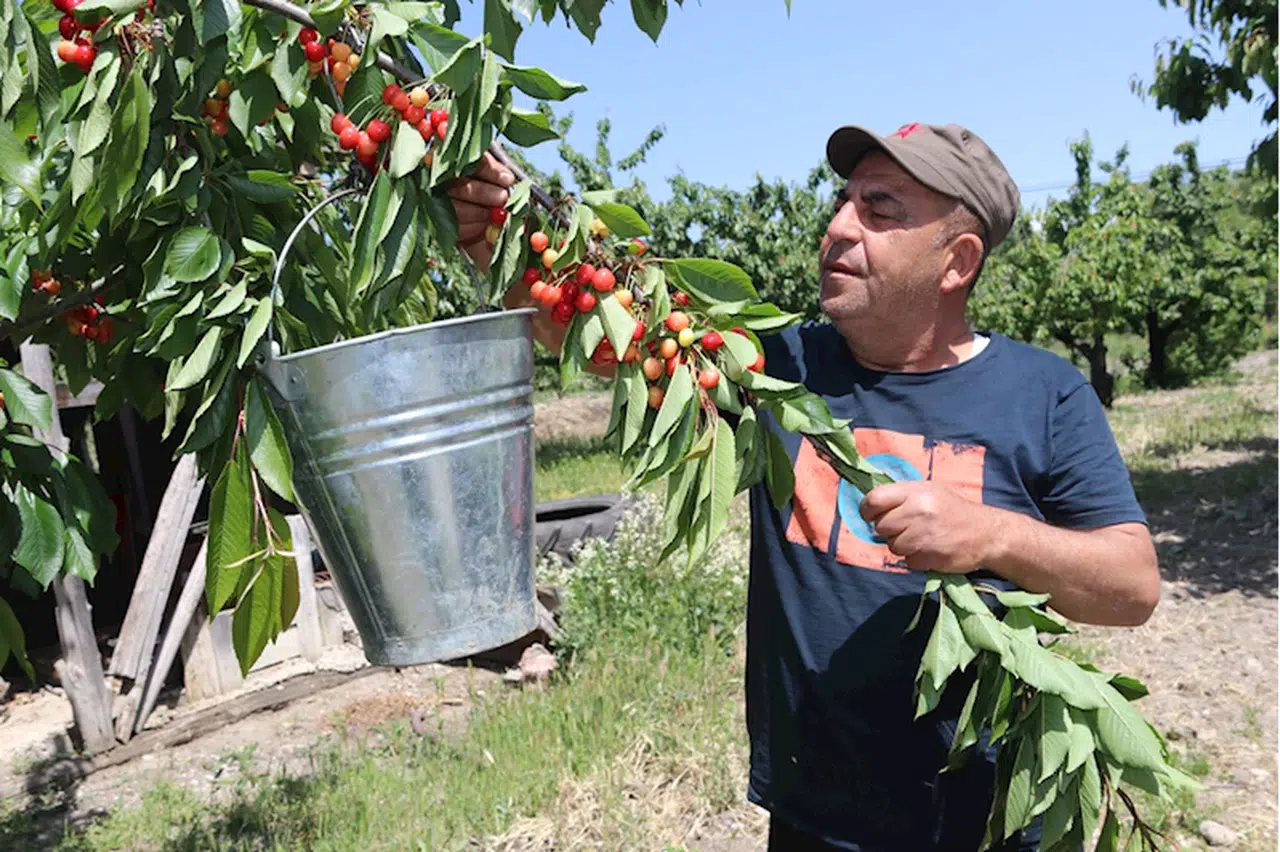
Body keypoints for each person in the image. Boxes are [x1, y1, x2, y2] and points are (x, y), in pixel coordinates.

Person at [447, 122, 1160, 851]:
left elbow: (1132, 586)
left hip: (981, 823)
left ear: (957, 261)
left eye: (879, 210)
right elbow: (597, 336)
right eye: (844, 201)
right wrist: (501, 244)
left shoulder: (1041, 393)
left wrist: (991, 534)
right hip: (813, 816)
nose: (838, 227)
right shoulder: (777, 367)